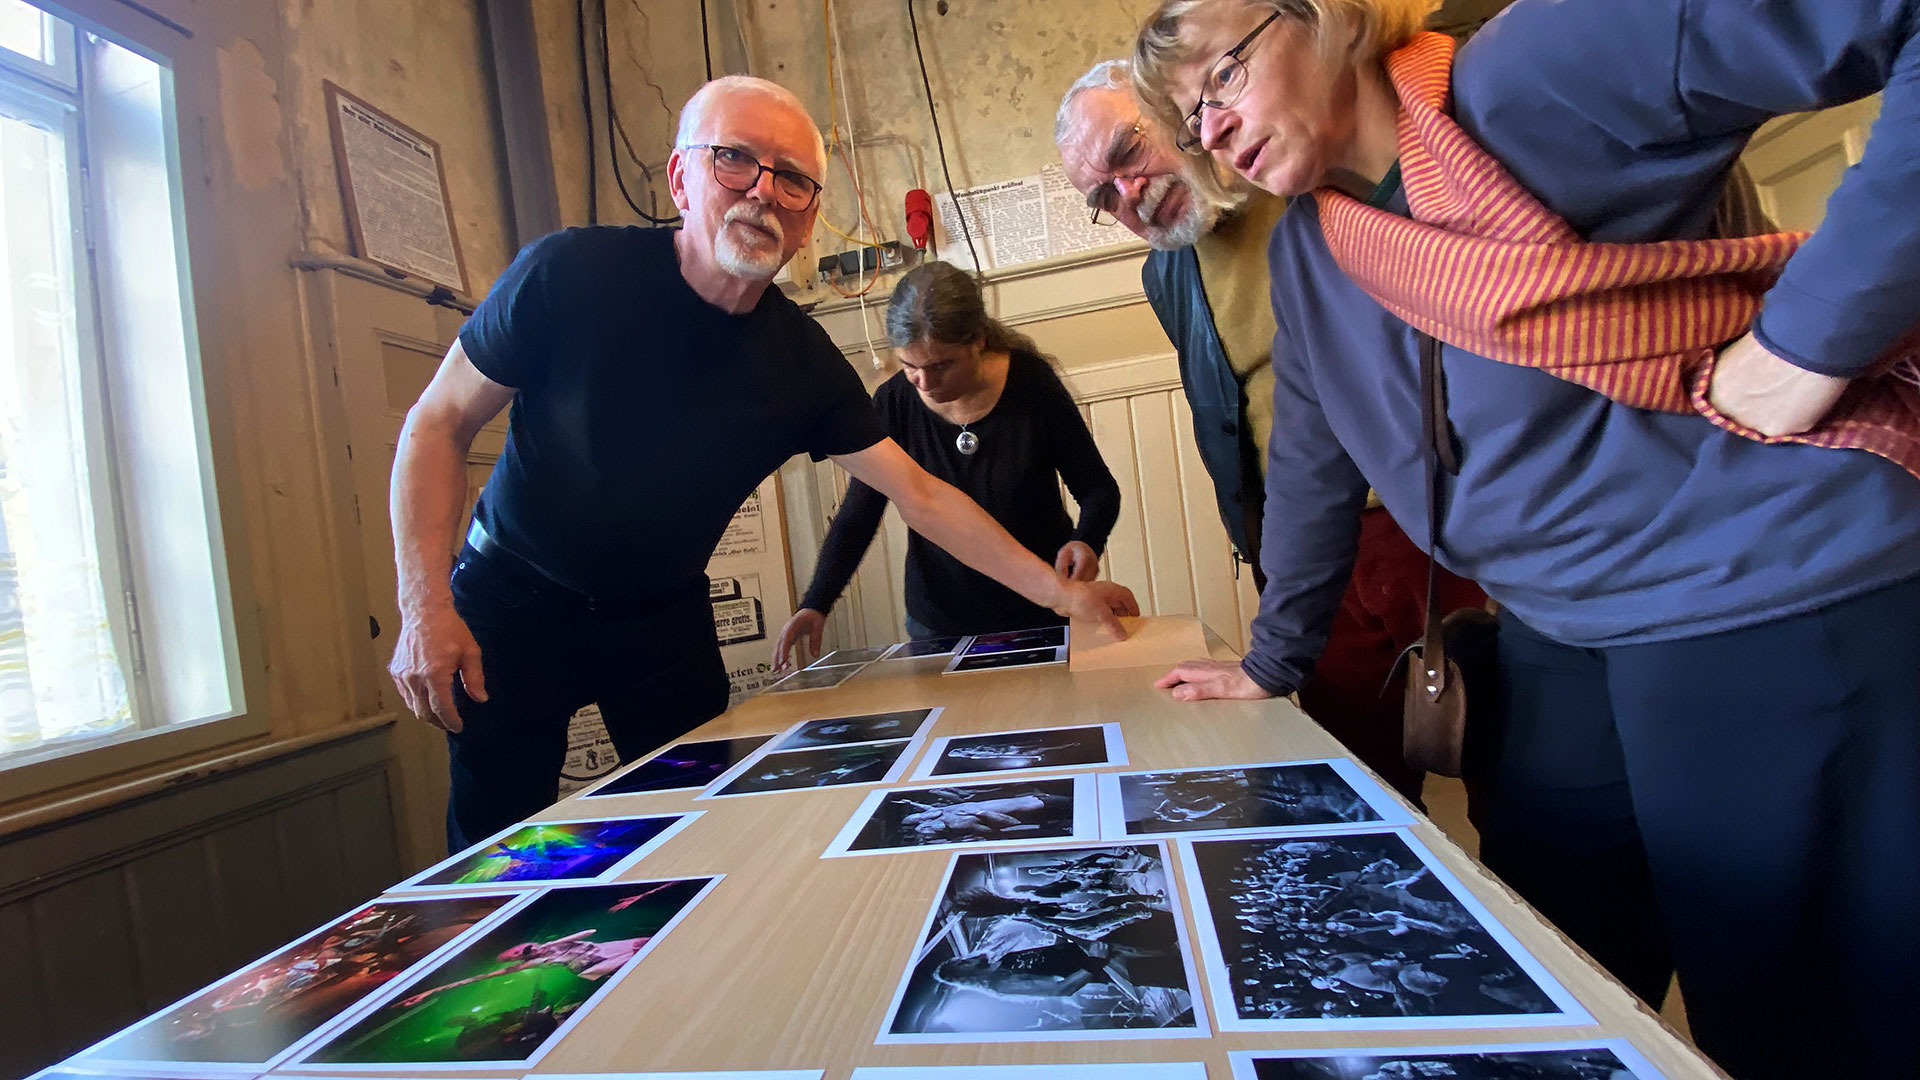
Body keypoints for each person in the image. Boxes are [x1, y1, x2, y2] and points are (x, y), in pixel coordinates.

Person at [1129, 2, 1920, 1077]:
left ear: (1324, 18)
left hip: (1753, 588)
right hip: (1558, 623)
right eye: (1188, 119)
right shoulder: (1312, 251)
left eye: (1220, 80)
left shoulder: (1541, 67)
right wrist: (1273, 662)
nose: (1209, 130)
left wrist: (1812, 340)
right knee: (1545, 961)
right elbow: (1314, 468)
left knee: (1788, 1009)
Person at [388, 76, 1138, 852]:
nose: (763, 192)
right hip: (511, 601)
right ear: (681, 178)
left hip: (661, 621)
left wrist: (1061, 596)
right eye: (734, 160)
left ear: (811, 217)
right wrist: (424, 606)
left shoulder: (802, 363)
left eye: (792, 179)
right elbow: (436, 425)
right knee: (495, 849)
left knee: (698, 831)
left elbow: (920, 495)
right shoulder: (568, 273)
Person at [1054, 58, 1482, 802]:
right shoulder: (1167, 274)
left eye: (1128, 152)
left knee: (1513, 758)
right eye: (1102, 195)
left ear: (1171, 110)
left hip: (1434, 518)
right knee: (1348, 780)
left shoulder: (1296, 172)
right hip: (1307, 550)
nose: (1127, 192)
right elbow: (1233, 415)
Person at [772, 260, 1123, 662]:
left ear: (977, 339)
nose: (924, 382)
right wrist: (816, 602)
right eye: (909, 366)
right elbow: (859, 513)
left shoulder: (1031, 384)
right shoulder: (894, 402)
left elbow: (1098, 490)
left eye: (940, 366)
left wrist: (1087, 541)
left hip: (1043, 611)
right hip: (939, 621)